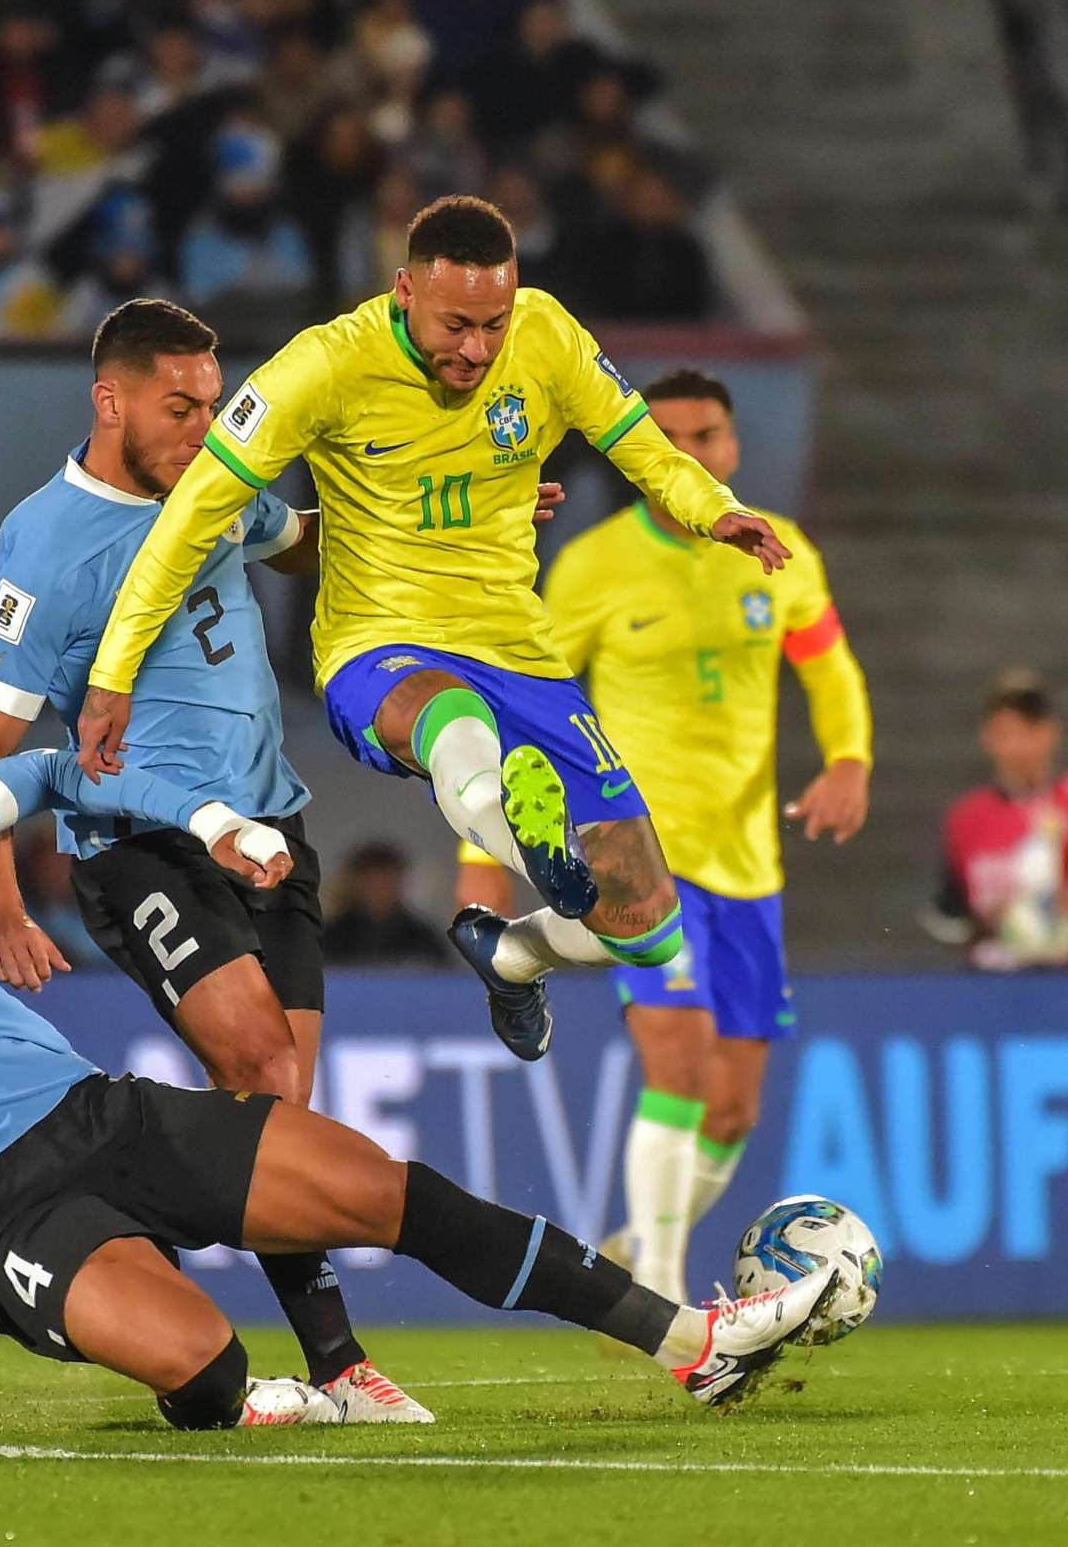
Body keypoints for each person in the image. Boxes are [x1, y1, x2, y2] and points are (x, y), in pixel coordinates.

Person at [0, 753, 841, 1424]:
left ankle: (689, 1342)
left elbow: (46, 769)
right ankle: (226, 1399)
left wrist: (206, 820)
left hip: (91, 1112)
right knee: (207, 1365)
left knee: (379, 1190)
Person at [75, 196, 791, 1078]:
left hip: (517, 645)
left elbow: (645, 450)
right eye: (458, 324)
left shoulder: (548, 336)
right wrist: (114, 671)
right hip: (379, 644)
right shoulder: (322, 368)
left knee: (646, 930)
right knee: (454, 725)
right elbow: (187, 522)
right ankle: (530, 840)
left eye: (496, 322)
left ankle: (514, 955)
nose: (479, 349)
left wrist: (716, 511)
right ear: (406, 289)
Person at [0, 296, 427, 1424]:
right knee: (264, 1072)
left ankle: (107, 1212)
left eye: (216, 402)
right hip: (144, 844)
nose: (207, 425)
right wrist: (4, 906)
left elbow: (299, 539)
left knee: (280, 1106)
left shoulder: (212, 488)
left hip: (275, 830)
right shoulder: (47, 543)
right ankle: (339, 1361)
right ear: (109, 399)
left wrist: (442, 516)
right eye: (183, 405)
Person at [458, 368, 870, 1306]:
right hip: (644, 863)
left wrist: (848, 759)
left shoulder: (779, 549)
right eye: (670, 438)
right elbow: (521, 715)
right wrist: (479, 857)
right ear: (641, 456)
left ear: (732, 446)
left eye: (709, 435)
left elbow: (829, 664)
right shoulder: (596, 566)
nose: (692, 453)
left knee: (733, 1108)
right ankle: (668, 1301)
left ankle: (645, 1238)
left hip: (750, 869)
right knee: (678, 1067)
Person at [922, 670, 1068, 970]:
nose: (1018, 747)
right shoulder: (966, 819)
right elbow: (950, 916)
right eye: (1005, 733)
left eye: (1029, 730)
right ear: (987, 738)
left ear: (1050, 733)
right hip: (996, 984)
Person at [324, 840, 449, 966]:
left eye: (386, 881)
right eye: (370, 882)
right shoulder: (330, 937)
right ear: (354, 884)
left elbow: (442, 977)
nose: (379, 890)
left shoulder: (423, 938)